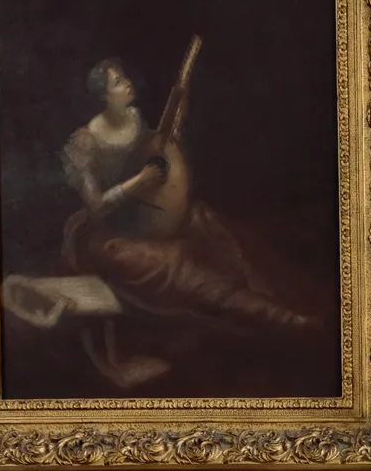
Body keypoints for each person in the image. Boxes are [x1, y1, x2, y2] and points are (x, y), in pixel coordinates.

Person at [58, 51, 314, 389]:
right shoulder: (86, 141)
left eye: (124, 77)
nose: (127, 83)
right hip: (111, 236)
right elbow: (96, 205)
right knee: (179, 263)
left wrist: (175, 120)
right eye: (118, 82)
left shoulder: (134, 118)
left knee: (212, 227)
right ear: (104, 96)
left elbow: (155, 150)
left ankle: (271, 302)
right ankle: (275, 318)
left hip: (151, 217)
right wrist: (139, 182)